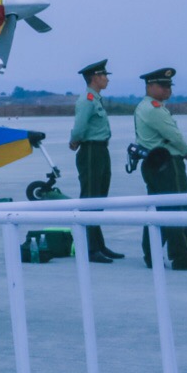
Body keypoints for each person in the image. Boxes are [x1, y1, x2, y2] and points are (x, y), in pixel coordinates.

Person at [135, 67, 187, 270]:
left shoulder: (147, 107)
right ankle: (181, 258)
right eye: (162, 86)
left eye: (168, 86)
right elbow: (173, 136)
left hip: (155, 163)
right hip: (167, 163)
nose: (167, 90)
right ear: (150, 86)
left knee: (158, 210)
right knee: (176, 209)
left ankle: (152, 255)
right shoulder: (153, 109)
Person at [69, 60, 122, 261]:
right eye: (104, 75)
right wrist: (74, 141)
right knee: (90, 198)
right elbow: (80, 127)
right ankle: (90, 249)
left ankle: (99, 245)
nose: (107, 79)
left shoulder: (95, 99)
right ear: (95, 78)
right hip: (91, 150)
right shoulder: (87, 99)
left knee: (99, 198)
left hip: (100, 150)